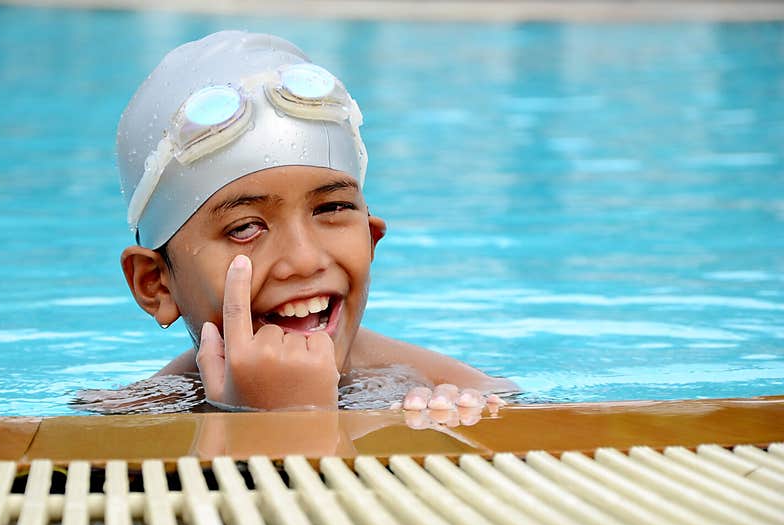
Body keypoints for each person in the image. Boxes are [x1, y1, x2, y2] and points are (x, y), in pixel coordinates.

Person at [113, 30, 518, 414]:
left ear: (370, 240)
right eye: (244, 228)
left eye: (331, 209)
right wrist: (276, 415)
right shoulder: (131, 418)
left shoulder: (453, 394)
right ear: (156, 284)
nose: (305, 261)